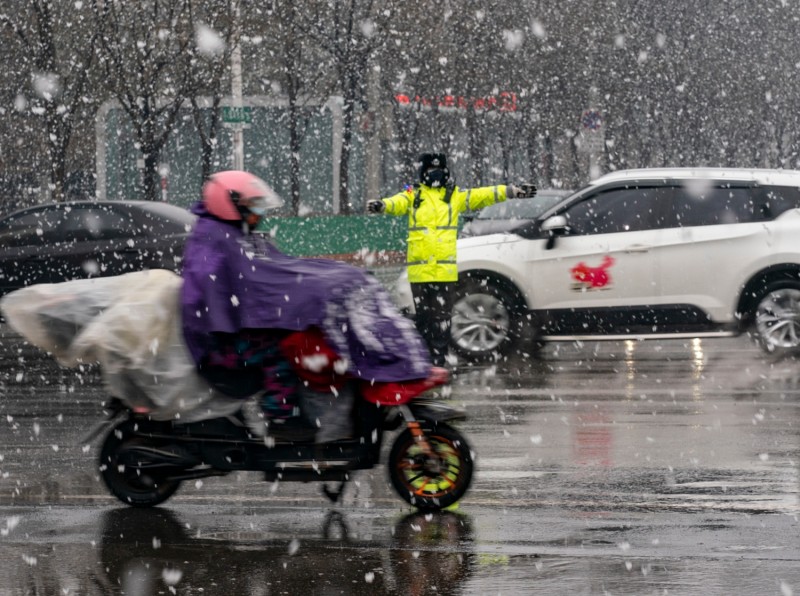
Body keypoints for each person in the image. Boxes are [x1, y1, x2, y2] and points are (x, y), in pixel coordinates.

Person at [180, 170, 432, 437]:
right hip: (222, 345)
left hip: (236, 334)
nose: (259, 215)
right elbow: (236, 291)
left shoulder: (231, 233)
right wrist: (309, 293)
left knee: (304, 339)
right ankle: (281, 422)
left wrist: (326, 281)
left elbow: (276, 272)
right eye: (252, 208)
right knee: (283, 351)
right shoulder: (216, 240)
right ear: (228, 204)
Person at [366, 153, 536, 366]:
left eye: (439, 169)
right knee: (424, 320)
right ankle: (424, 361)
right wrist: (382, 205)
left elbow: (484, 195)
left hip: (443, 272)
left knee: (442, 321)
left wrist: (511, 191)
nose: (435, 174)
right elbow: (396, 202)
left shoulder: (454, 195)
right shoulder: (414, 194)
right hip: (420, 272)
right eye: (430, 170)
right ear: (423, 172)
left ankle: (437, 362)